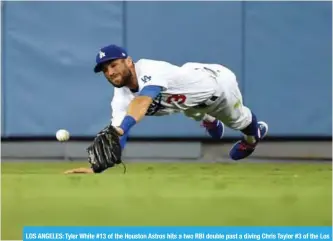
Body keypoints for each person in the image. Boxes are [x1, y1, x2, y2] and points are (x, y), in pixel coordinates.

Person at [64, 44, 268, 174]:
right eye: (105, 70)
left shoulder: (149, 70)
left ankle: (252, 139)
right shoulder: (120, 98)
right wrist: (96, 168)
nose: (110, 72)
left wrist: (123, 126)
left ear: (128, 61)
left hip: (217, 87)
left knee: (240, 121)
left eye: (114, 65)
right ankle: (208, 119)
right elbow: (118, 134)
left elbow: (142, 102)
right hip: (187, 98)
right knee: (187, 107)